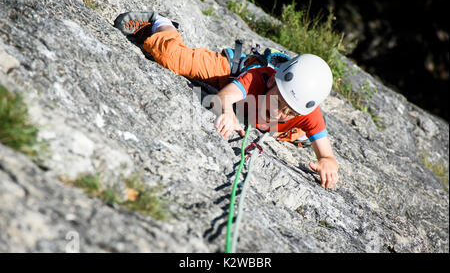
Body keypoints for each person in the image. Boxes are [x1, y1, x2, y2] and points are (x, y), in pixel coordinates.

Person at [114, 11, 339, 189]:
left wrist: (328, 162)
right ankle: (160, 24)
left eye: (290, 112)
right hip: (229, 75)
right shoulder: (258, 78)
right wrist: (228, 113)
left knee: (290, 132)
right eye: (279, 102)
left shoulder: (308, 113)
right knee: (173, 58)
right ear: (273, 82)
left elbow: (326, 154)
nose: (279, 112)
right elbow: (223, 97)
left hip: (261, 116)